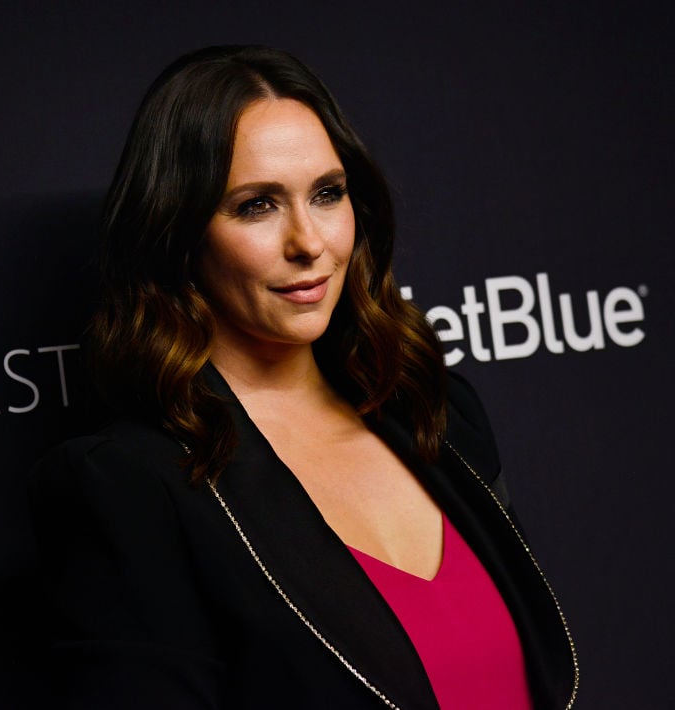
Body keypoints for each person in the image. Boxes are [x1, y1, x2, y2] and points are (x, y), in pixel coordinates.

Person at [29, 45, 578, 709]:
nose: (308, 242)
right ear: (178, 233)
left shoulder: (435, 409)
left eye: (327, 194)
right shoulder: (129, 483)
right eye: (257, 205)